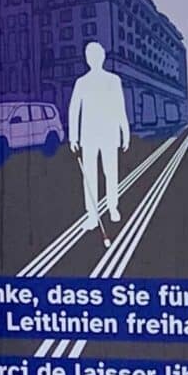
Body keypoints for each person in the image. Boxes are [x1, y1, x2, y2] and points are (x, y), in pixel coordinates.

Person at [67, 41, 129, 239]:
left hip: (108, 134)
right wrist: (73, 137)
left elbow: (120, 108)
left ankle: (112, 207)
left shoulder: (113, 81)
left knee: (110, 172)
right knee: (90, 176)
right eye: (90, 55)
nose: (92, 58)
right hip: (89, 136)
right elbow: (73, 110)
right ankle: (93, 216)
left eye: (95, 55)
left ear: (101, 57)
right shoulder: (81, 82)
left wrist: (124, 132)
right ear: (87, 59)